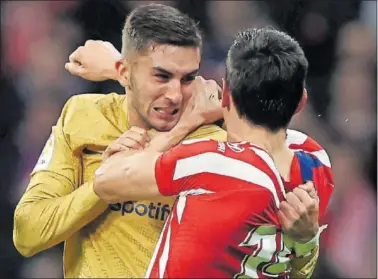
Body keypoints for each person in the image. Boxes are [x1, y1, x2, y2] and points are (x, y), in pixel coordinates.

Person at [13, 4, 328, 278]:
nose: (176, 95)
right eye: (162, 77)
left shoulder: (219, 146)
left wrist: (306, 241)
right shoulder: (83, 116)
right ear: (124, 72)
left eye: (188, 78)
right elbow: (27, 234)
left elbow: (276, 266)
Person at [93, 27, 334, 278]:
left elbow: (105, 181)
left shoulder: (212, 164)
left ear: (227, 92)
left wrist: (187, 122)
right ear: (300, 103)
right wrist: (306, 241)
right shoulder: (316, 164)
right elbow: (297, 270)